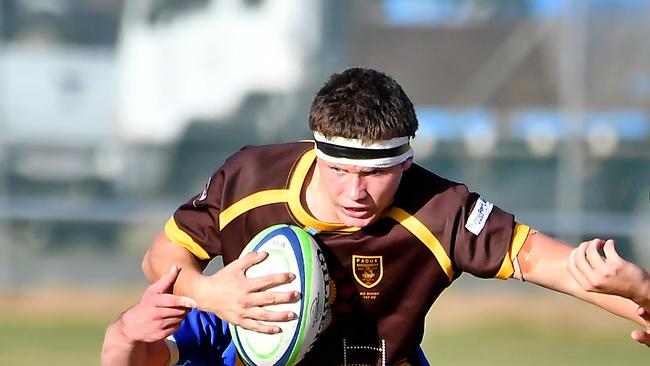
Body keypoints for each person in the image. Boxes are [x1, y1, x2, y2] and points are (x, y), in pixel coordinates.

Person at [102, 67, 650, 365]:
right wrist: (209, 292)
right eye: (339, 170)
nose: (356, 192)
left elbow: (553, 265)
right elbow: (162, 258)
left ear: (406, 162)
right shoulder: (250, 177)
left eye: (377, 174)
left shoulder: (441, 209)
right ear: (315, 152)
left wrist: (641, 291)